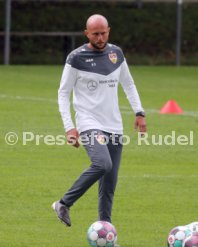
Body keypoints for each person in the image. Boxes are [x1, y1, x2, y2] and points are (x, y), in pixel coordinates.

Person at [52, 14, 146, 229]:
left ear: (109, 30)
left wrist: (139, 113)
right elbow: (63, 93)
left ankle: (105, 229)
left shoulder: (116, 53)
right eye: (95, 34)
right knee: (102, 164)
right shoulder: (76, 58)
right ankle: (64, 203)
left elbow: (129, 85)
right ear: (87, 34)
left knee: (109, 182)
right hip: (89, 122)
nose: (100, 37)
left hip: (114, 123)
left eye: (103, 33)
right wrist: (69, 127)